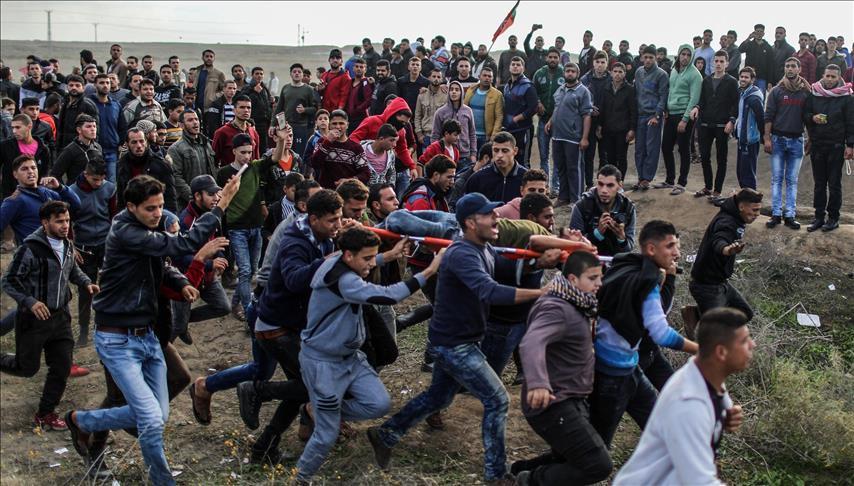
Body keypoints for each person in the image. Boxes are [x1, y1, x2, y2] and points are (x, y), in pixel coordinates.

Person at [65, 174, 239, 486]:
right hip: (118, 336)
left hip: (148, 333)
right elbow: (182, 245)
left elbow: (162, 263)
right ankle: (150, 475)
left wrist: (182, 281)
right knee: (143, 413)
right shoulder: (127, 231)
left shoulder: (146, 226)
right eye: (150, 208)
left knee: (160, 409)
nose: (158, 213)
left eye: (160, 206)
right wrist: (220, 207)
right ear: (131, 207)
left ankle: (84, 422)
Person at [367, 192, 544, 485]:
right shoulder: (461, 254)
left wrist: (537, 264)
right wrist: (542, 293)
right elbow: (489, 290)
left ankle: (385, 434)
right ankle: (496, 475)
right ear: (471, 223)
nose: (497, 217)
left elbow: (505, 268)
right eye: (489, 214)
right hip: (453, 345)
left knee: (439, 396)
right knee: (497, 399)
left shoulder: (482, 247)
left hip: (459, 340)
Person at [294, 226, 442, 483]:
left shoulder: (338, 260)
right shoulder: (345, 281)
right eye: (367, 258)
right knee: (327, 435)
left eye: (374, 256)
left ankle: (317, 410)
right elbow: (389, 295)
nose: (372, 264)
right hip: (323, 364)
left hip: (351, 358)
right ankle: (301, 479)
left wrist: (391, 255)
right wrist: (430, 270)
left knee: (378, 404)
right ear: (348, 255)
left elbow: (365, 260)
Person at [613, 308, 753, 486]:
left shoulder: (707, 377)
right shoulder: (688, 404)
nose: (752, 345)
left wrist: (725, 417)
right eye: (744, 341)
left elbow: (720, 411)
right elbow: (701, 482)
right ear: (721, 352)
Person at [590, 220, 699, 448]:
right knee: (595, 450)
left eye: (677, 246)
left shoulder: (626, 265)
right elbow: (661, 333)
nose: (677, 253)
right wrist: (701, 349)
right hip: (613, 374)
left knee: (659, 428)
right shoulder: (646, 281)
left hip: (629, 367)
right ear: (651, 249)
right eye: (670, 246)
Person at [512, 251, 612, 486]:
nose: (599, 283)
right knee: (598, 464)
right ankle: (529, 480)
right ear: (573, 280)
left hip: (572, 397)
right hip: (552, 403)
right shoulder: (556, 308)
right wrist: (538, 383)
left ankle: (517, 471)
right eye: (592, 278)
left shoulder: (577, 302)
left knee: (568, 458)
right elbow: (531, 342)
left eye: (600, 277)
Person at [1, 200, 97, 431]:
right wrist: (30, 301)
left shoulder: (67, 244)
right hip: (33, 320)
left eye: (67, 220)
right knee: (27, 368)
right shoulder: (30, 249)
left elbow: (72, 270)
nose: (65, 226)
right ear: (45, 223)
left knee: (62, 366)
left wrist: (86, 282)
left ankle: (45, 414)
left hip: (60, 317)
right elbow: (10, 280)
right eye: (59, 221)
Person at [170, 175, 231, 344]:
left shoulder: (211, 214)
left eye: (217, 193)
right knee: (175, 327)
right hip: (186, 278)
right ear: (197, 196)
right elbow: (179, 256)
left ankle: (182, 322)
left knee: (223, 307)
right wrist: (211, 263)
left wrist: (220, 257)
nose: (216, 198)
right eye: (211, 194)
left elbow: (215, 241)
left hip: (207, 276)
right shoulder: (185, 221)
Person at [216, 133, 268, 321]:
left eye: (250, 152)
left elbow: (276, 158)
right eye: (243, 152)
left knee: (252, 270)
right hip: (237, 227)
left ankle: (235, 302)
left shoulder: (255, 167)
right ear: (234, 151)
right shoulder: (224, 173)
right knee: (244, 271)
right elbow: (219, 198)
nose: (247, 156)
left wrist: (280, 139)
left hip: (256, 226)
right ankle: (248, 310)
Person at [689, 188, 761, 320]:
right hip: (706, 286)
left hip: (721, 282)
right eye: (754, 210)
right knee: (718, 326)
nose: (757, 214)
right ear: (741, 207)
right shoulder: (727, 221)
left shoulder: (735, 215)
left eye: (759, 210)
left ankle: (699, 317)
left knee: (744, 313)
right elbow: (718, 241)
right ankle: (700, 322)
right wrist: (728, 250)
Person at [68, 158, 116, 347]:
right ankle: (83, 330)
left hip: (105, 244)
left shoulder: (109, 188)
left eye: (102, 179)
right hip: (84, 247)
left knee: (109, 286)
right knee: (85, 290)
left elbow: (113, 215)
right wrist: (71, 246)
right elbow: (67, 221)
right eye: (95, 179)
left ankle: (107, 325)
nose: (99, 183)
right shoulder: (72, 192)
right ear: (86, 175)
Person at [803, 64, 854, 233]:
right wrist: (813, 118)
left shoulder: (847, 97)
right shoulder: (814, 93)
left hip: (836, 146)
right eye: (828, 76)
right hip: (818, 144)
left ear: (839, 78)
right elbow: (805, 114)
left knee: (834, 184)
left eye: (833, 77)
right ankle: (818, 217)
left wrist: (850, 145)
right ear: (823, 76)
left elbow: (851, 123)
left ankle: (833, 218)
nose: (830, 79)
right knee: (819, 184)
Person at [764, 57, 810, 230]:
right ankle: (776, 214)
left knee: (792, 180)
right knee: (777, 178)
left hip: (797, 140)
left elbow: (808, 117)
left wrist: (811, 138)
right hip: (778, 139)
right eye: (787, 66)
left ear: (799, 69)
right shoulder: (776, 91)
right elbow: (768, 116)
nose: (790, 69)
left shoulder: (805, 92)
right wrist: (767, 138)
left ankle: (790, 215)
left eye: (793, 66)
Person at [692, 50, 739, 200]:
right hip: (705, 124)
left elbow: (736, 103)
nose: (718, 64)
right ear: (713, 62)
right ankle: (708, 186)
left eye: (721, 61)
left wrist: (732, 120)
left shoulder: (732, 82)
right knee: (705, 156)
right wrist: (696, 108)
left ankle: (717, 190)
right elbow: (702, 100)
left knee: (721, 158)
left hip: (722, 125)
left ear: (727, 63)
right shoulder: (706, 80)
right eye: (716, 61)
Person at [657, 44, 702, 195]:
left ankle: (682, 183)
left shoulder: (695, 75)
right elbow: (671, 91)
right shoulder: (674, 70)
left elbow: (694, 98)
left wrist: (685, 119)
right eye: (683, 54)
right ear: (679, 54)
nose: (685, 57)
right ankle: (670, 180)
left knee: (683, 149)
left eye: (688, 55)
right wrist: (666, 109)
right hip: (671, 114)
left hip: (685, 115)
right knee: (666, 146)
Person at [350, 97, 418, 196]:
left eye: (405, 123)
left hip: (382, 173)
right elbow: (353, 138)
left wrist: (412, 167)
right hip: (363, 169)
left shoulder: (401, 131)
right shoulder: (372, 121)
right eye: (401, 121)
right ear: (393, 114)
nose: (402, 125)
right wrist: (365, 153)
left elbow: (402, 150)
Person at [547, 63, 592, 205]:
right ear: (564, 73)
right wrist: (550, 121)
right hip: (557, 136)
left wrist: (584, 138)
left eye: (573, 71)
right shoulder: (560, 89)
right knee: (560, 167)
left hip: (573, 137)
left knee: (573, 168)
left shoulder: (583, 91)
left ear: (578, 74)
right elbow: (557, 107)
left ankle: (575, 199)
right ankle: (563, 197)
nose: (570, 73)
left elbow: (587, 115)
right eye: (567, 71)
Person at [569, 164, 636, 256]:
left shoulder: (627, 208)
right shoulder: (582, 206)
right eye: (600, 184)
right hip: (588, 259)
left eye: (610, 185)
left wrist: (621, 237)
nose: (604, 190)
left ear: (620, 185)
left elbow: (628, 249)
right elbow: (574, 245)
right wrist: (598, 233)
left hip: (616, 260)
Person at [633, 46, 669, 191]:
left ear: (655, 58)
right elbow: (636, 93)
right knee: (639, 148)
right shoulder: (638, 72)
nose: (648, 60)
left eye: (651, 58)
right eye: (646, 57)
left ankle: (647, 178)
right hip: (640, 114)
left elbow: (663, 96)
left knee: (651, 148)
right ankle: (640, 176)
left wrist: (657, 115)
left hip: (653, 116)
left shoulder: (661, 74)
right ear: (642, 57)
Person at [117, 127, 177, 212]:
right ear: (127, 144)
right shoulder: (122, 164)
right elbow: (121, 197)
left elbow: (170, 197)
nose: (139, 146)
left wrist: (168, 217)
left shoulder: (161, 165)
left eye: (141, 141)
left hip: (156, 213)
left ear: (146, 142)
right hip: (131, 213)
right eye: (134, 142)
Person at [308, 109, 369, 188]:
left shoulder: (356, 147)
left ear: (347, 125)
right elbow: (314, 163)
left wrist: (348, 181)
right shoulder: (322, 142)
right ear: (329, 125)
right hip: (326, 191)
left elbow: (365, 174)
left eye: (341, 123)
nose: (338, 127)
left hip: (347, 192)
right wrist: (328, 142)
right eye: (334, 123)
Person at [465, 131, 528, 203]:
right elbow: (466, 206)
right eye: (496, 150)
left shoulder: (526, 178)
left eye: (505, 151)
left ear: (515, 151)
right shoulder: (477, 179)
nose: (499, 155)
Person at [532, 48, 563, 193]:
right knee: (544, 156)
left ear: (559, 58)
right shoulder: (539, 73)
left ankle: (555, 188)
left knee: (557, 156)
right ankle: (544, 187)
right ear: (546, 58)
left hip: (558, 122)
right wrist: (538, 102)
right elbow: (533, 91)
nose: (552, 59)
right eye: (550, 57)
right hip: (543, 120)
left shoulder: (563, 73)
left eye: (555, 57)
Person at [0, 114, 52, 199]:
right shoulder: (5, 146)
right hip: (10, 195)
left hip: (35, 196)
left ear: (29, 127)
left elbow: (45, 173)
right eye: (12, 128)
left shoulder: (43, 149)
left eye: (18, 127)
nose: (14, 131)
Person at [599, 62, 636, 177]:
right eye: (615, 71)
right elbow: (602, 109)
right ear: (611, 73)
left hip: (622, 130)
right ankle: (612, 180)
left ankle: (621, 181)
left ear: (624, 74)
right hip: (608, 129)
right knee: (610, 157)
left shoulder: (630, 90)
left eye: (620, 72)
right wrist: (599, 125)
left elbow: (633, 111)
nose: (617, 74)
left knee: (621, 157)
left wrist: (632, 129)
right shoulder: (605, 88)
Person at [276, 63, 319, 157]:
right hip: (286, 126)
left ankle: (299, 167)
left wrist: (305, 110)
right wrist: (273, 125)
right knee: (285, 151)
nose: (297, 73)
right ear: (291, 74)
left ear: (302, 74)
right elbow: (279, 109)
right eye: (294, 72)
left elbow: (315, 109)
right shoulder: (285, 88)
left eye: (299, 72)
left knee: (299, 153)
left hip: (301, 127)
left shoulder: (309, 89)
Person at [502, 57, 538, 167]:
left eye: (518, 65)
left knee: (523, 162)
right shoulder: (507, 86)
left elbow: (533, 108)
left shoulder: (528, 86)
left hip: (523, 129)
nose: (515, 66)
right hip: (509, 129)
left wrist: (517, 118)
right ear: (509, 67)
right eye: (513, 64)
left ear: (523, 68)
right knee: (509, 160)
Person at [432, 81, 477, 168]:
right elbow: (435, 135)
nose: (454, 92)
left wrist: (473, 154)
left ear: (461, 92)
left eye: (457, 90)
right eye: (451, 89)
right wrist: (437, 154)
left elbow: (472, 134)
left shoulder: (468, 111)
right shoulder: (440, 112)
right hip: (446, 155)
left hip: (465, 155)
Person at [734, 67, 765, 191]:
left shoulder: (754, 98)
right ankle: (745, 197)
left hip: (750, 141)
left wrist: (764, 137)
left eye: (746, 77)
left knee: (748, 174)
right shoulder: (742, 93)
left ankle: (751, 199)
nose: (743, 79)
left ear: (752, 80)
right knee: (741, 172)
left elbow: (761, 119)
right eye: (741, 77)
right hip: (742, 139)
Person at [50, 114, 102, 184]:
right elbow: (55, 174)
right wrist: (64, 189)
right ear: (79, 130)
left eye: (94, 126)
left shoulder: (98, 147)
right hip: (76, 188)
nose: (93, 129)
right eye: (88, 126)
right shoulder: (70, 150)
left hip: (95, 188)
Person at [89, 73, 121, 181]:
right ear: (95, 85)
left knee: (111, 183)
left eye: (107, 83)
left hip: (112, 150)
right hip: (93, 150)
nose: (105, 85)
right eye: (102, 83)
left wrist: (120, 143)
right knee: (94, 181)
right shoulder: (88, 103)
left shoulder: (116, 105)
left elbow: (122, 127)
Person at [211, 94, 260, 166]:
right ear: (234, 110)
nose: (246, 110)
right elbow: (213, 160)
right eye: (242, 107)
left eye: (248, 108)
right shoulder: (222, 132)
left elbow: (256, 159)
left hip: (249, 172)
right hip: (229, 172)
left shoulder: (253, 132)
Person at [464, 67, 504, 151]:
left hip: (486, 137)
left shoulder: (497, 95)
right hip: (469, 135)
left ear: (492, 79)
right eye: (484, 75)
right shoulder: (471, 90)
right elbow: (464, 110)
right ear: (479, 76)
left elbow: (499, 117)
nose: (487, 78)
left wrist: (493, 136)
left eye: (489, 76)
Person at [413, 69, 447, 152]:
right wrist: (419, 134)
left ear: (442, 79)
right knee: (426, 159)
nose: (436, 79)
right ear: (429, 78)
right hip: (426, 135)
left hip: (441, 136)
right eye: (434, 76)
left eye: (438, 77)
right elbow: (417, 116)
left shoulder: (446, 95)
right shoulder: (422, 95)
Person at [242, 67, 272, 150]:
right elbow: (242, 98)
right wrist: (253, 90)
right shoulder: (247, 87)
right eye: (257, 73)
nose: (259, 75)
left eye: (261, 74)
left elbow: (267, 104)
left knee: (263, 147)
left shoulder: (264, 89)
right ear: (252, 75)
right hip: (253, 123)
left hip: (264, 123)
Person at [738, 24, 775, 92]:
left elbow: (770, 65)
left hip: (762, 78)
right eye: (757, 31)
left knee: (759, 95)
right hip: (749, 76)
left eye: (761, 31)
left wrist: (770, 81)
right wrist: (748, 38)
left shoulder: (768, 47)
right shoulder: (749, 44)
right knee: (747, 94)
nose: (759, 33)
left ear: (763, 33)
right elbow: (740, 49)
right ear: (754, 32)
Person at [345, 59, 373, 133]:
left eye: (361, 67)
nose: (359, 69)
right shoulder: (350, 82)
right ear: (353, 68)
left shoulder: (366, 83)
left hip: (361, 119)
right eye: (357, 66)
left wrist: (358, 109)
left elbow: (369, 100)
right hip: (349, 118)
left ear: (365, 69)